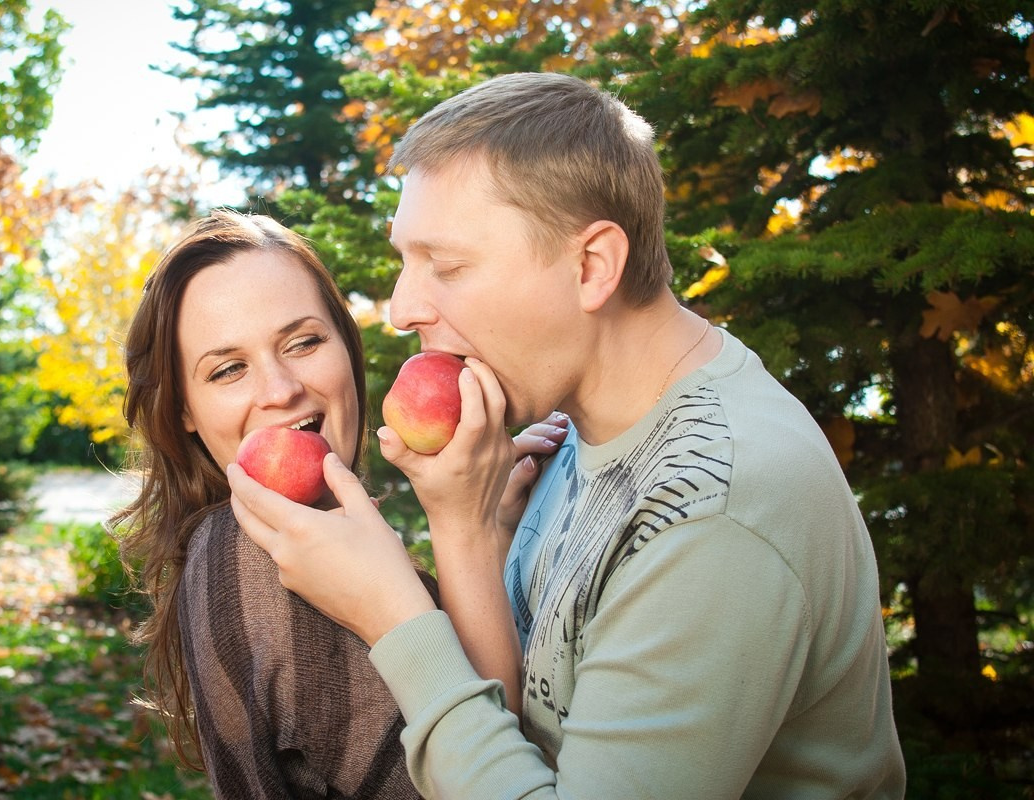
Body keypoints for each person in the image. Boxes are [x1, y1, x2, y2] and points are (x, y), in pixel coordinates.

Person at [227, 72, 908, 798]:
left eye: (447, 266)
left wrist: (392, 614)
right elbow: (524, 733)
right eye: (405, 260)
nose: (399, 309)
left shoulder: (715, 510)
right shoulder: (577, 430)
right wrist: (473, 530)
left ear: (592, 267)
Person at [113, 209, 562, 799]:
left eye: (303, 342)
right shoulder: (261, 562)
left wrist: (491, 529)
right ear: (185, 413)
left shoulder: (313, 544)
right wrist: (463, 527)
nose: (281, 389)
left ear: (345, 349)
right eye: (227, 369)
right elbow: (486, 765)